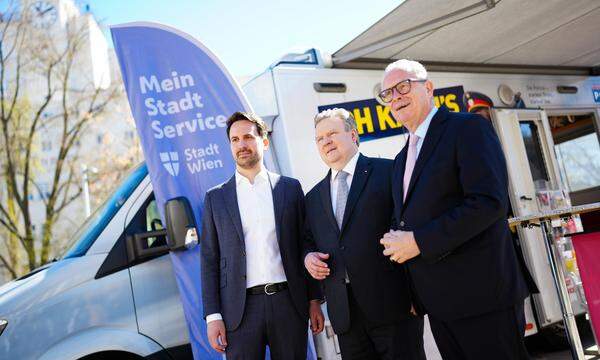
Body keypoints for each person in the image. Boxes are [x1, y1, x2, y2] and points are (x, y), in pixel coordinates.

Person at [378, 59, 530, 360]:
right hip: (439, 304)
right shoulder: (399, 159)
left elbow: (489, 202)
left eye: (403, 86)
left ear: (429, 88)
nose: (395, 97)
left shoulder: (467, 128)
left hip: (483, 297)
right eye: (388, 94)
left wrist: (419, 241)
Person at [200, 111, 324, 359]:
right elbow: (209, 260)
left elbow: (305, 244)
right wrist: (213, 317)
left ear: (264, 142)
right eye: (235, 140)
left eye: (247, 137)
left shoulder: (289, 189)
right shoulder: (216, 198)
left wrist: (314, 300)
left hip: (288, 303)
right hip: (240, 311)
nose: (241, 145)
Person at [303, 108, 425, 359]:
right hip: (345, 316)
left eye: (332, 133)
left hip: (394, 305)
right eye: (319, 138)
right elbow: (307, 241)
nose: (326, 141)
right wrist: (308, 258)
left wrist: (416, 294)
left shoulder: (389, 172)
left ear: (354, 135)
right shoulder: (313, 198)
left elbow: (409, 229)